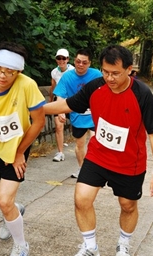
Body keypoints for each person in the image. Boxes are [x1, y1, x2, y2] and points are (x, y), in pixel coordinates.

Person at [44, 45, 153, 256]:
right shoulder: (96, 86)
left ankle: (124, 243)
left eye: (115, 73)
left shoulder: (142, 94)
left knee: (127, 205)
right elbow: (69, 104)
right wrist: (39, 109)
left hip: (130, 161)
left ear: (129, 69)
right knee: (81, 199)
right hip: (98, 155)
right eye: (105, 71)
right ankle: (90, 248)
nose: (109, 78)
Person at [0, 41, 46, 256]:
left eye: (9, 72)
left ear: (19, 72)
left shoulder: (27, 85)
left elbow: (39, 121)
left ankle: (21, 246)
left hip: (17, 147)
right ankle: (15, 209)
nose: (3, 76)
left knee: (5, 201)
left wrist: (19, 152)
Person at [54, 48, 102, 177]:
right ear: (74, 61)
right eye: (78, 61)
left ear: (90, 63)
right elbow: (60, 95)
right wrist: (60, 111)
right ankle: (82, 168)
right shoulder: (67, 77)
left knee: (95, 141)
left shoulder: (97, 74)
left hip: (95, 115)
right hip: (77, 116)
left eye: (84, 62)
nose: (81, 65)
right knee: (80, 144)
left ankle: (96, 170)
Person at [49, 48, 74, 162]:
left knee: (78, 127)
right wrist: (51, 101)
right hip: (59, 100)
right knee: (59, 126)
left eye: (63, 58)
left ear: (68, 59)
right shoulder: (54, 72)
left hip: (72, 100)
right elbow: (53, 87)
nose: (61, 60)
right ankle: (60, 152)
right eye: (59, 58)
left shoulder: (73, 70)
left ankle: (82, 151)